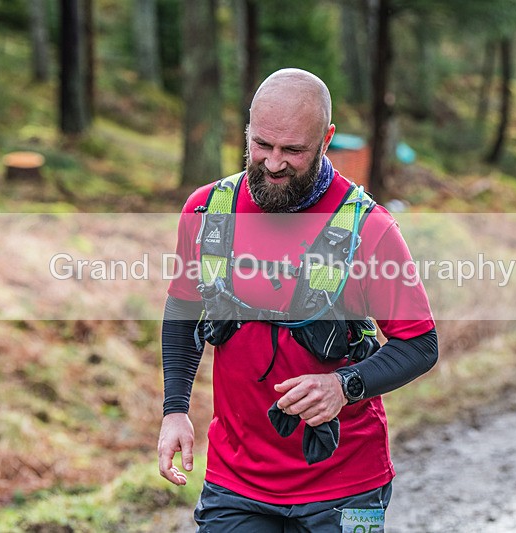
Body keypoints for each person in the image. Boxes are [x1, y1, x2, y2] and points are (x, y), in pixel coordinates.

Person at [158, 68, 438, 531]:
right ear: (247, 130)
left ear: (326, 139)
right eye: (262, 144)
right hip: (236, 482)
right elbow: (183, 312)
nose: (272, 163)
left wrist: (343, 385)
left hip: (347, 482)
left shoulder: (369, 228)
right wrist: (174, 410)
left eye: (293, 150)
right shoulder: (208, 212)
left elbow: (420, 344)